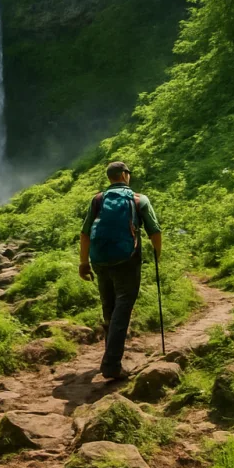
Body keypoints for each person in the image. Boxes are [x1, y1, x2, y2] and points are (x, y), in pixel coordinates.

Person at [78, 161, 163, 381]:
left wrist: (83, 263)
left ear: (110, 178)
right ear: (125, 175)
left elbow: (85, 233)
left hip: (99, 260)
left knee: (109, 308)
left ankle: (110, 356)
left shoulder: (97, 200)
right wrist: (158, 253)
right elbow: (155, 231)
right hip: (127, 261)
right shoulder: (138, 199)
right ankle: (111, 364)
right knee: (122, 310)